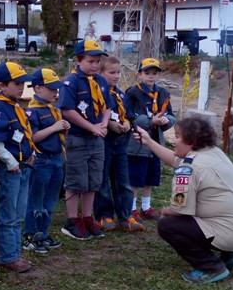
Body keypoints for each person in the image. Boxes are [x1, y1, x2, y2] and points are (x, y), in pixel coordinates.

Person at [134, 117, 233, 283]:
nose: (172, 140)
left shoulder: (190, 168)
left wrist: (165, 211)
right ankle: (229, 253)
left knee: (168, 224)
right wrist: (148, 142)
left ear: (191, 141)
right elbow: (176, 160)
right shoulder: (212, 152)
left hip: (229, 231)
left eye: (177, 136)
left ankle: (211, 268)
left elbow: (179, 210)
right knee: (199, 213)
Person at [0, 62, 38, 273]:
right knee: (8, 214)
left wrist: (32, 152)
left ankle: (15, 253)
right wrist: (10, 162)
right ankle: (8, 256)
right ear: (1, 85)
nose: (21, 87)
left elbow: (24, 134)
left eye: (23, 83)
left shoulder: (15, 105)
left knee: (19, 212)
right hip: (11, 170)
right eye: (16, 83)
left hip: (24, 166)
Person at [59, 39, 111, 239]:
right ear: (78, 61)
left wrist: (104, 124)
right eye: (91, 61)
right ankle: (72, 220)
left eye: (98, 61)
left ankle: (87, 217)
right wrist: (92, 127)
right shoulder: (70, 82)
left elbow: (108, 105)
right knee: (76, 180)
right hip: (78, 138)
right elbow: (68, 111)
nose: (95, 65)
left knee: (93, 180)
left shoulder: (100, 81)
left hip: (97, 138)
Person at [94, 55, 144, 232]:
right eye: (111, 72)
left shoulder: (121, 94)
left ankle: (125, 215)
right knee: (102, 180)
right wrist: (109, 124)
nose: (116, 76)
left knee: (122, 179)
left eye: (118, 72)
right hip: (104, 142)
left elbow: (128, 116)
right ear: (100, 73)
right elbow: (95, 116)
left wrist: (126, 125)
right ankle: (104, 215)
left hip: (121, 142)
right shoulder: (97, 93)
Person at [23, 68, 70, 253]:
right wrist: (54, 128)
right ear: (37, 89)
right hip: (41, 161)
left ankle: (43, 233)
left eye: (56, 88)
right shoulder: (32, 112)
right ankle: (30, 236)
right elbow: (32, 137)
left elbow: (56, 131)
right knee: (36, 201)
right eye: (51, 88)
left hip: (57, 159)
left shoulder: (53, 109)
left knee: (50, 202)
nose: (55, 92)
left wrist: (63, 128)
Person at [125, 57, 176, 221]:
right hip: (138, 142)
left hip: (156, 142)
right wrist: (149, 121)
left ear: (159, 76)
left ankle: (146, 207)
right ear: (139, 74)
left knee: (150, 177)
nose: (151, 77)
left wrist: (166, 121)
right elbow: (129, 116)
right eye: (147, 73)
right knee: (135, 177)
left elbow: (171, 115)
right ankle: (131, 208)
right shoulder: (133, 92)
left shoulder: (163, 93)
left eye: (154, 73)